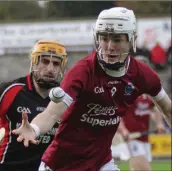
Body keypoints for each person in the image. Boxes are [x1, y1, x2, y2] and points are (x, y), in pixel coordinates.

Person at [12, 7, 172, 171]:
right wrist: (34, 129)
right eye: (104, 38)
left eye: (117, 39)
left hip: (101, 164)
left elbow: (167, 109)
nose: (109, 46)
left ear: (132, 40)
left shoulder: (142, 74)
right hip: (60, 165)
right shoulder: (82, 72)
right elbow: (51, 113)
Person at [0, 40, 68, 171]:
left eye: (56, 63)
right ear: (34, 62)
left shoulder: (65, 97)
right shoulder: (12, 90)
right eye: (45, 61)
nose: (50, 68)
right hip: (5, 167)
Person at [114, 56, 166, 171]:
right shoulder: (127, 90)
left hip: (144, 137)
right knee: (143, 169)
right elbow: (117, 113)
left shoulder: (149, 91)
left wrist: (159, 124)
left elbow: (153, 110)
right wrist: (123, 130)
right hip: (131, 138)